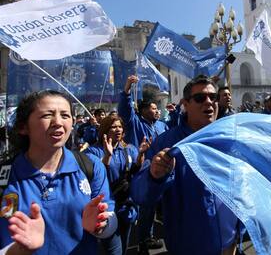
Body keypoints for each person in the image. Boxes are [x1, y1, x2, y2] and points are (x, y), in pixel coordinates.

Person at [130, 75, 241, 255]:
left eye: (213, 97)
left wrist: (241, 228)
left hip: (230, 245)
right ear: (185, 104)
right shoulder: (166, 144)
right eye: (200, 98)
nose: (209, 102)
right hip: (190, 246)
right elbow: (140, 194)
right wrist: (154, 176)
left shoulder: (230, 139)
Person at [0, 90, 117, 254]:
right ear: (23, 127)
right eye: (47, 115)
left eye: (65, 115)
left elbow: (110, 219)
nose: (58, 122)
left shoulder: (90, 166)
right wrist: (19, 249)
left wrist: (100, 225)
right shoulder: (5, 177)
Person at [118, 75, 168, 252]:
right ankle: (141, 241)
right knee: (143, 207)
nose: (157, 111)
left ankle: (148, 236)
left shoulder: (162, 126)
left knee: (153, 207)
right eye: (153, 108)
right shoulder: (136, 124)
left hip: (160, 172)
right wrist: (127, 89)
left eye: (157, 108)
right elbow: (125, 111)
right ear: (143, 110)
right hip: (141, 171)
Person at [84, 116, 146, 255]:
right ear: (104, 130)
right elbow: (96, 178)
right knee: (113, 249)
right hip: (107, 206)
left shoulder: (129, 149)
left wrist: (141, 155)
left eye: (120, 126)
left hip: (126, 206)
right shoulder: (93, 152)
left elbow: (134, 173)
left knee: (124, 244)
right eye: (113, 127)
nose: (117, 129)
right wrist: (107, 157)